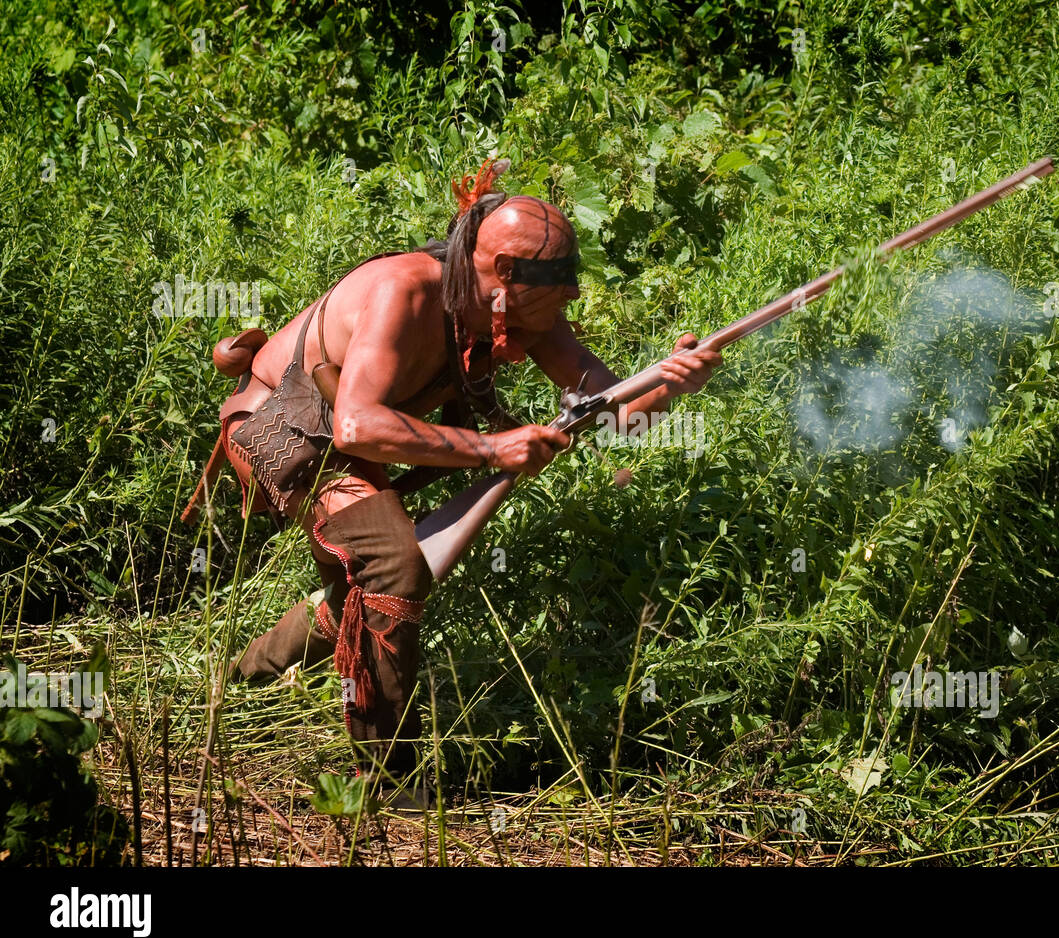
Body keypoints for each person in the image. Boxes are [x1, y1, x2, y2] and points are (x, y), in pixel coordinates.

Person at [182, 158, 722, 789]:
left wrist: (674, 381)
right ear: (500, 275)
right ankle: (381, 780)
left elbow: (616, 417)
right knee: (395, 566)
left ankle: (238, 688)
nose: (560, 309)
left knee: (354, 589)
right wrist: (495, 449)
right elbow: (356, 424)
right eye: (549, 295)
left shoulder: (524, 310)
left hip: (350, 436)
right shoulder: (404, 291)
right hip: (287, 430)